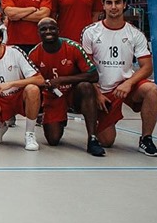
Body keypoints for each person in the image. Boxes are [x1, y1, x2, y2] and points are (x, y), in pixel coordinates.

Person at [81, 0, 157, 157]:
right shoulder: (90, 32)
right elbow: (85, 68)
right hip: (103, 91)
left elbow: (147, 66)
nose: (113, 7)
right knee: (107, 141)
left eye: (118, 2)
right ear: (103, 5)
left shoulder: (135, 34)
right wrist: (96, 93)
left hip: (125, 86)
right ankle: (100, 122)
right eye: (109, 3)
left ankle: (146, 139)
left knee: (152, 90)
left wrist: (129, 83)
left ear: (124, 5)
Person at [28, 18, 103, 156]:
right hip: (53, 96)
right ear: (38, 32)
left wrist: (62, 80)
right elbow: (30, 80)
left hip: (74, 93)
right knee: (53, 140)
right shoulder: (34, 54)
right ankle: (58, 119)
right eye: (44, 29)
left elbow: (93, 75)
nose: (48, 31)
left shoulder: (73, 47)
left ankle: (92, 138)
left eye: (52, 28)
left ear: (58, 30)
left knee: (86, 87)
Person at [0, 23, 44, 151]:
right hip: (0, 98)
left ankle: (30, 134)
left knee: (32, 89)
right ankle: (0, 126)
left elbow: (39, 79)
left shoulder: (15, 52)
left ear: (0, 38)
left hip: (20, 94)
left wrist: (11, 84)